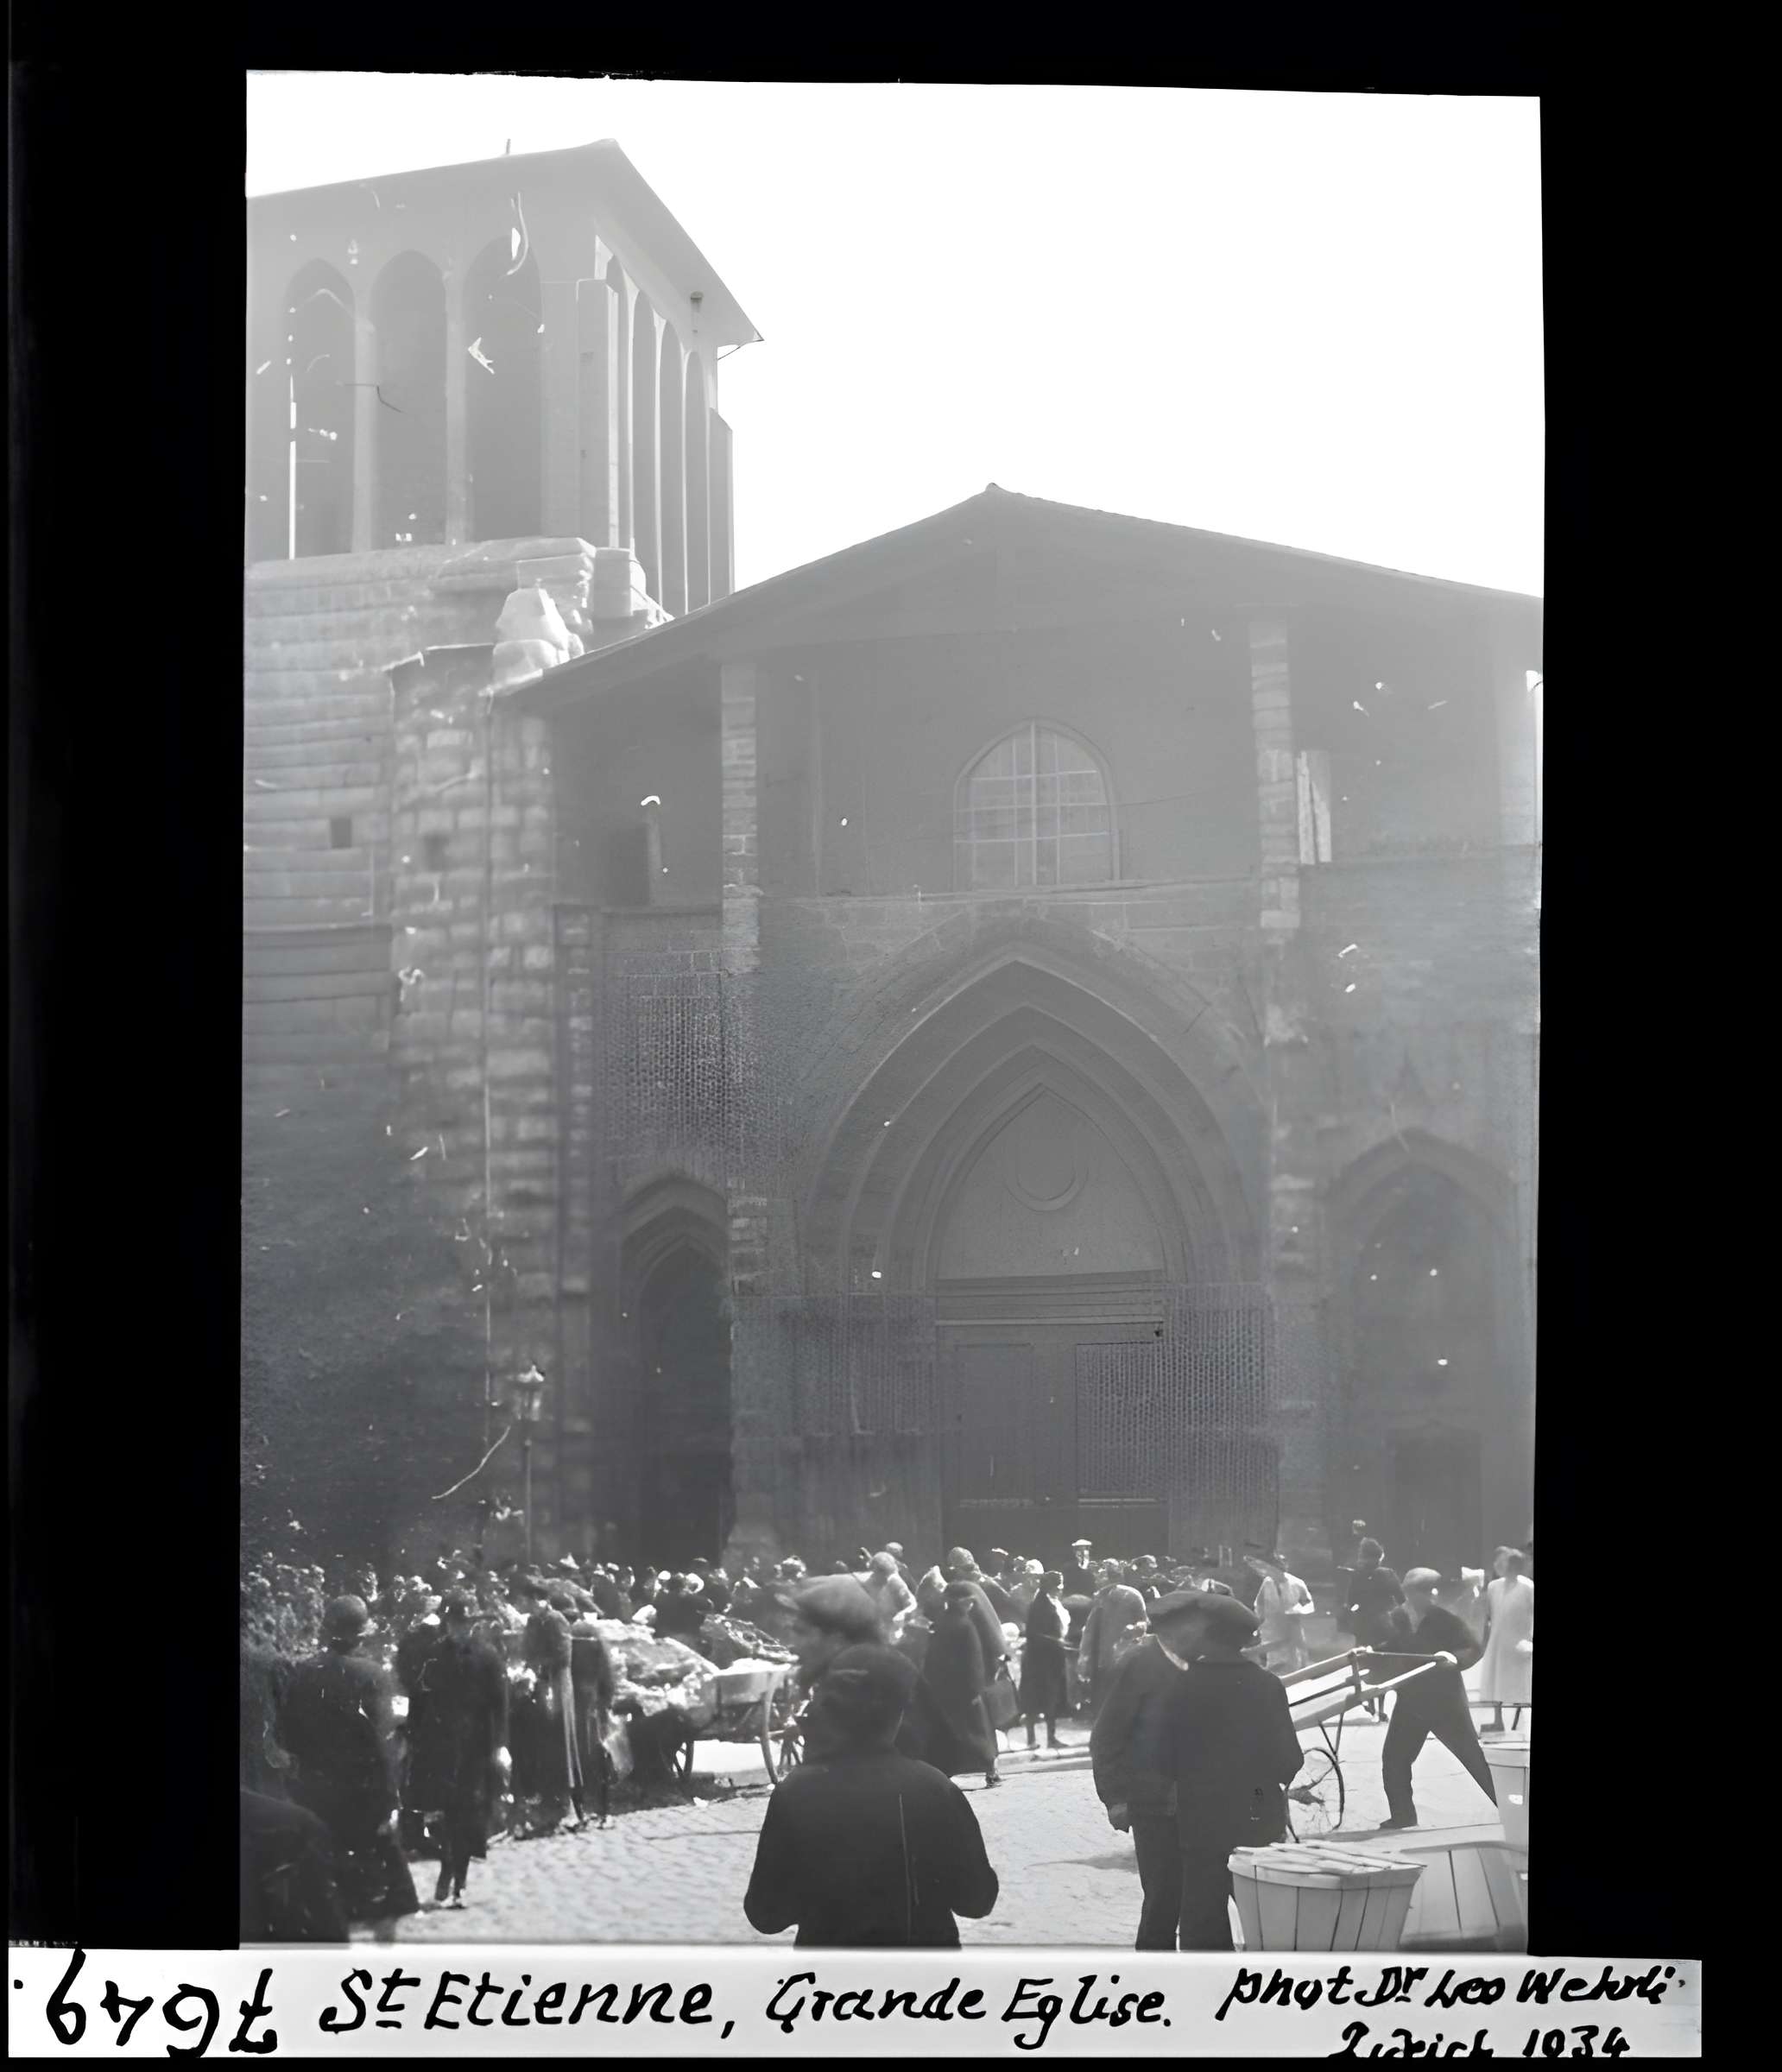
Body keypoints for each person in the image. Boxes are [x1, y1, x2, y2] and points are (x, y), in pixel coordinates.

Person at [743, 1645, 998, 1945]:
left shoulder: (795, 1793)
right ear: (900, 1715)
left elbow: (766, 1913)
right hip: (925, 1978)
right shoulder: (934, 1788)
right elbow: (976, 1899)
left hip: (830, 1979)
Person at [1147, 1591, 1305, 1950]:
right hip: (1257, 1815)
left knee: (1203, 1916)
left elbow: (1158, 1757)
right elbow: (1289, 1760)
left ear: (1208, 1636)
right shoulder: (1267, 1685)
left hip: (1200, 1819)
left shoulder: (1179, 1686)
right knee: (1267, 1916)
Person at [276, 1596, 420, 1936]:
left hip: (317, 1789)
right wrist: (390, 1796)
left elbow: (286, 1736)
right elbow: (381, 1743)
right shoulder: (371, 1674)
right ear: (361, 1635)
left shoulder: (302, 1673)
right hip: (363, 1791)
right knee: (379, 1861)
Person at [1090, 1588, 1197, 1949]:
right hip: (1152, 1802)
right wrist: (1115, 1798)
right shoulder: (1137, 1665)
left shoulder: (1199, 1663)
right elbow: (1106, 1735)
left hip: (1196, 1801)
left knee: (1198, 1896)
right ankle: (1153, 1970)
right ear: (1173, 1629)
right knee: (1163, 1895)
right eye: (1195, 1626)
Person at [1370, 1568, 1498, 1830]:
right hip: (1411, 1703)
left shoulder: (1444, 1620)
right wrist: (1369, 1654)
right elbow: (1387, 1650)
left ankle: (1514, 1808)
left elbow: (1472, 1647)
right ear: (1409, 1593)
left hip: (1445, 1703)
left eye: (1434, 1589)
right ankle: (1403, 1815)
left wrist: (1455, 1659)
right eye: (1427, 1590)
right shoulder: (1395, 1619)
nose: (1434, 1594)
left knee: (1474, 1758)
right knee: (1395, 1759)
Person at [408, 1589, 509, 1908]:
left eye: (465, 1623)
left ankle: (458, 1880)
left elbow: (500, 1705)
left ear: (474, 1624)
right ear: (446, 1624)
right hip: (439, 1746)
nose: (460, 1629)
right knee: (440, 1815)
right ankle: (446, 1864)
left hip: (475, 1749)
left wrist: (501, 1746)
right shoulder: (433, 1655)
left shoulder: (488, 1656)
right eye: (454, 1623)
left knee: (467, 1813)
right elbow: (419, 1700)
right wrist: (413, 1738)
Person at [914, 1581, 1002, 1787]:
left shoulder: (941, 1623)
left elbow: (932, 1659)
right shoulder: (965, 1625)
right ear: (961, 1603)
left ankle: (942, 1774)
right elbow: (974, 1662)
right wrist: (975, 1690)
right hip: (966, 1691)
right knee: (978, 1733)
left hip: (944, 1690)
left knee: (948, 1734)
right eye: (968, 1601)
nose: (971, 1604)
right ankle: (991, 1772)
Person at [519, 1582, 585, 1832]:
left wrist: (538, 1666)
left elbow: (564, 1655)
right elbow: (526, 1649)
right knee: (542, 1738)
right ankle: (547, 1796)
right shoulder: (532, 1622)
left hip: (557, 1685)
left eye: (525, 1600)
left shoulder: (556, 1620)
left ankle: (566, 1799)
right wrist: (526, 1666)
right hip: (540, 1684)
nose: (523, 1605)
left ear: (537, 1599)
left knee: (561, 1738)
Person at [1343, 1538, 1405, 1720]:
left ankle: (1369, 1703)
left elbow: (1351, 1601)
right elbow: (1400, 1598)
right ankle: (1382, 1708)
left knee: (1366, 1663)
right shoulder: (1388, 1574)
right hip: (1385, 1624)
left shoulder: (1356, 1575)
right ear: (1380, 1557)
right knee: (1383, 1665)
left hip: (1364, 1625)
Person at [568, 1602, 618, 1829]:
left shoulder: (568, 1636)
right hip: (592, 1702)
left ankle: (582, 1811)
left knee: (580, 1758)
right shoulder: (591, 1634)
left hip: (578, 1704)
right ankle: (602, 1811)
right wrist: (606, 1701)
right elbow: (607, 1673)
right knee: (597, 1755)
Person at [1078, 1562, 1148, 1720]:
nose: (1096, 1579)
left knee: (1123, 1693)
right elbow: (1090, 1627)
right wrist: (1085, 1654)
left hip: (1124, 1654)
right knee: (1102, 1696)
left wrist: (1134, 1628)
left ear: (1112, 1577)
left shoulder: (1132, 1595)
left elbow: (1144, 1622)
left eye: (1100, 1575)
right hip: (1102, 1655)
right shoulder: (1099, 1598)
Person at [1477, 1550, 1533, 1736]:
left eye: (1514, 1565)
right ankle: (1498, 1720)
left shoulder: (1528, 1588)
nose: (1509, 1569)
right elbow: (1488, 1615)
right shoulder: (1494, 1586)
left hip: (1518, 1642)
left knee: (1520, 1683)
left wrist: (1529, 1639)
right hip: (1498, 1642)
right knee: (1495, 1682)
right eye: (1507, 1565)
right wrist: (1485, 1640)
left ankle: (1521, 1721)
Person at [1018, 1570, 1071, 1749]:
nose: (1060, 1590)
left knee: (1050, 1698)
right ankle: (1033, 1739)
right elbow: (1033, 1634)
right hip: (1039, 1660)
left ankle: (1050, 1737)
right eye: (1057, 1587)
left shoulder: (1050, 1602)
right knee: (1036, 1699)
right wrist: (1057, 1642)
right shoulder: (1039, 1605)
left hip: (1049, 1658)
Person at [1248, 1552, 1315, 1674]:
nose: (1273, 1574)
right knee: (1274, 1662)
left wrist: (1296, 1611)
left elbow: (1308, 1604)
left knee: (1293, 1660)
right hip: (1271, 1628)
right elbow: (1259, 1603)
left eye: (1276, 1570)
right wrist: (1259, 1619)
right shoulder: (1267, 1583)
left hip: (1291, 1626)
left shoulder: (1297, 1583)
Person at [864, 1550, 916, 1636]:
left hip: (893, 1631)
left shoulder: (894, 1581)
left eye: (886, 1575)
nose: (884, 1579)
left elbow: (912, 1604)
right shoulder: (867, 1583)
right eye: (879, 1574)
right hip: (874, 1630)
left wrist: (902, 1614)